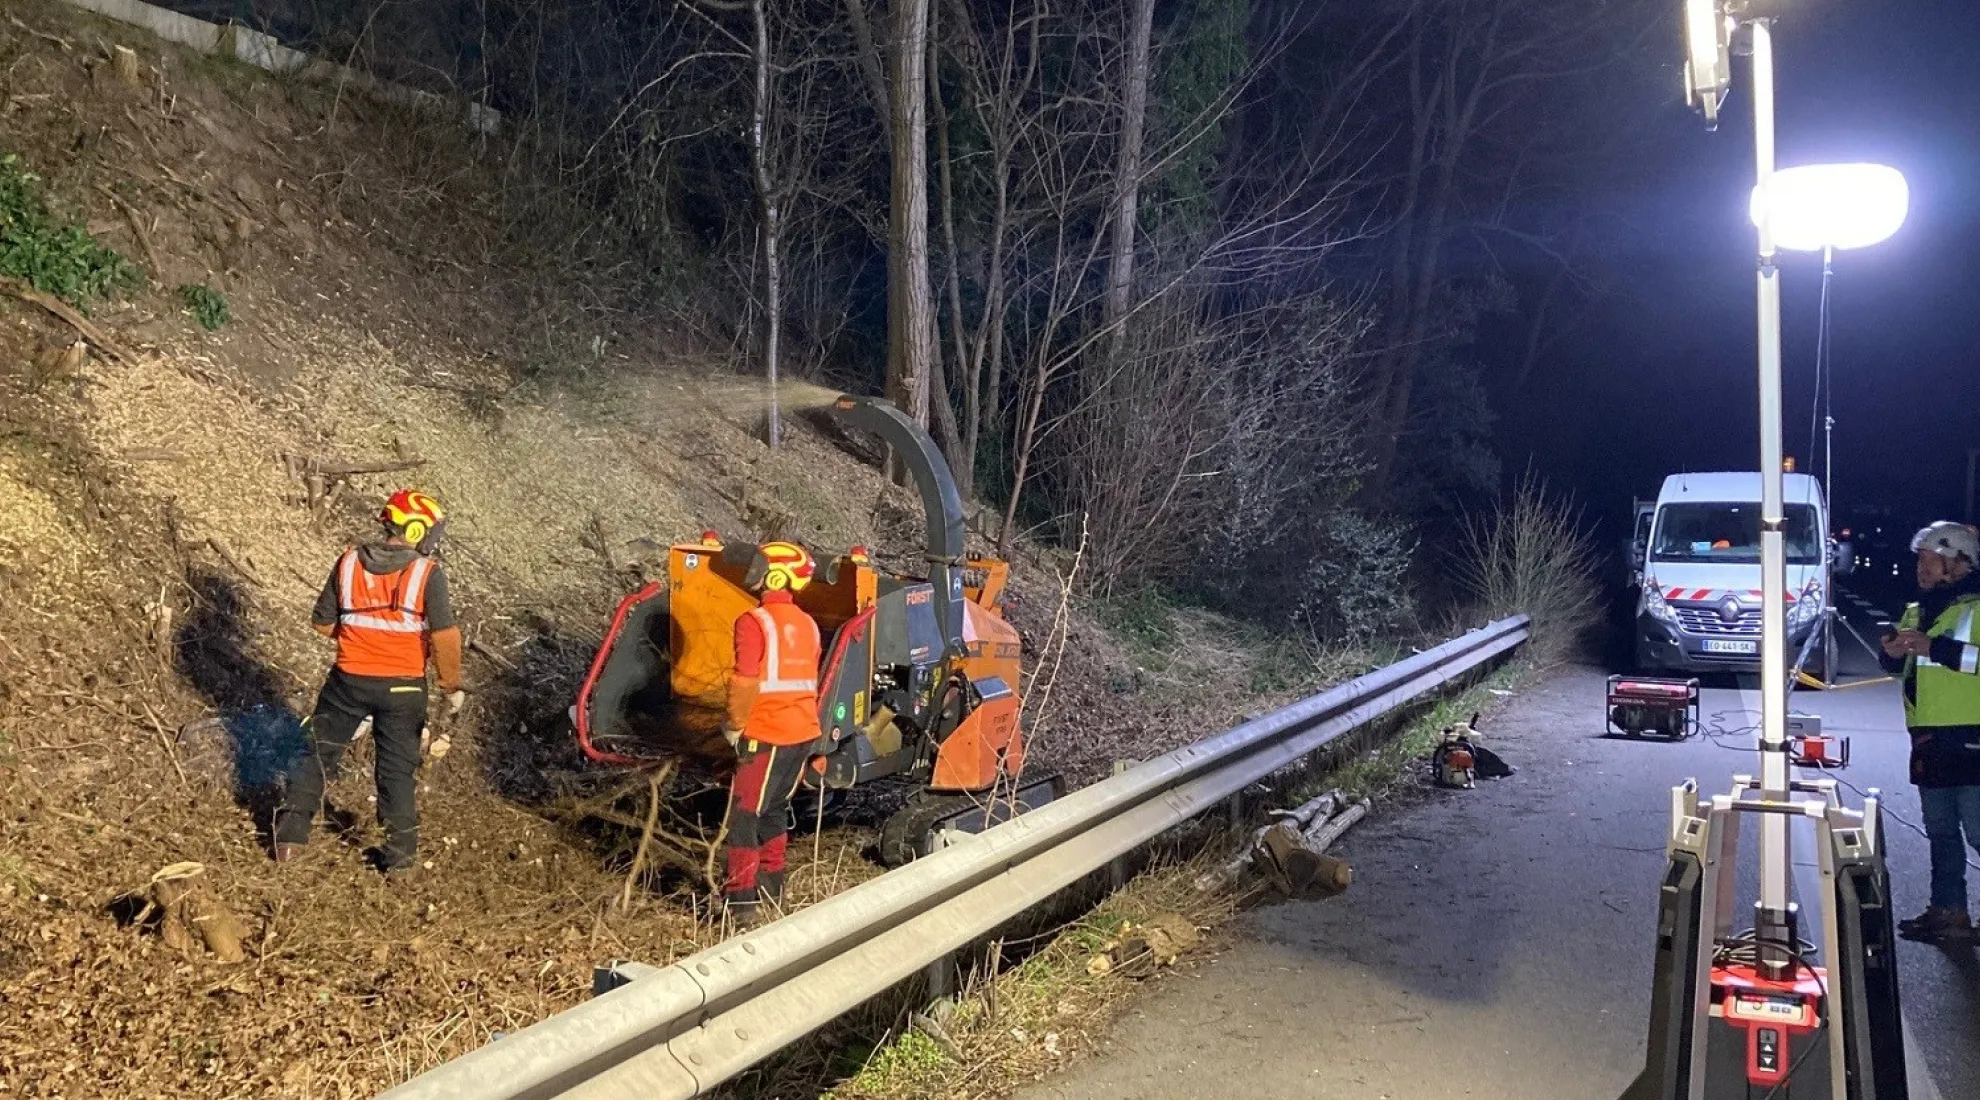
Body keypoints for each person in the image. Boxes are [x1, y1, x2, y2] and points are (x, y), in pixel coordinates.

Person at [274, 490, 465, 874]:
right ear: (414, 529)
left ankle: (290, 840)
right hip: (404, 688)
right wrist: (450, 683)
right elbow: (445, 638)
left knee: (319, 754)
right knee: (396, 770)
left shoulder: (347, 563)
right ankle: (400, 861)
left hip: (348, 681)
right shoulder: (427, 575)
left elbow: (323, 622)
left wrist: (362, 641)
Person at [1879, 520, 1980, 941]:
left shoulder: (1976, 607)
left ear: (1958, 563)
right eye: (1920, 559)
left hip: (1971, 735)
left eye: (1930, 560)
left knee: (1976, 830)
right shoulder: (1917, 610)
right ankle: (1949, 911)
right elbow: (1906, 667)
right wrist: (1890, 654)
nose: (1922, 568)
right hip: (1928, 736)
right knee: (1940, 831)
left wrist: (1933, 647)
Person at [721, 540, 822, 927]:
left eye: (759, 567)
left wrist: (733, 726)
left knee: (745, 815)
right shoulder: (808, 624)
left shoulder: (754, 622)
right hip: (801, 732)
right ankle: (772, 889)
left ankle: (741, 904)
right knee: (775, 809)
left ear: (775, 574)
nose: (753, 575)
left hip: (766, 732)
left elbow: (745, 682)